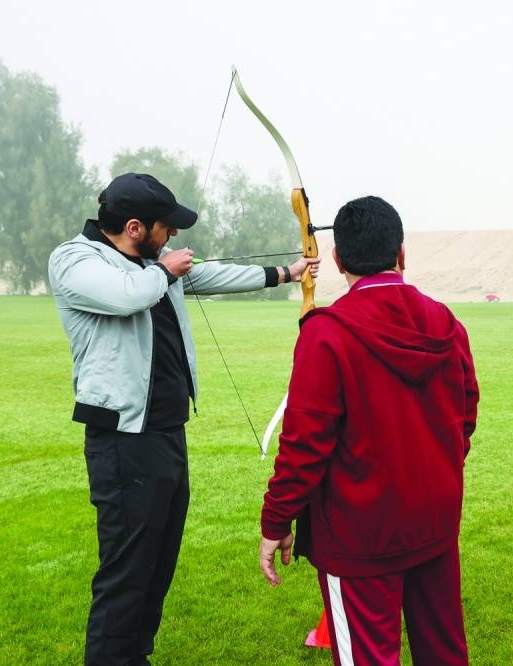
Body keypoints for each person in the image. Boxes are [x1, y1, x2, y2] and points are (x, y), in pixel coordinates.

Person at [48, 172, 320, 666]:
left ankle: (135, 654)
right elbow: (127, 295)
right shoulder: (75, 259)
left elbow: (210, 276)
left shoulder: (154, 264)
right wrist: (168, 271)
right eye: (164, 226)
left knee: (157, 561)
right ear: (134, 227)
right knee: (127, 568)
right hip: (122, 438)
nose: (172, 235)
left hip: (166, 432)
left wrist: (287, 272)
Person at [259, 196, 479, 666]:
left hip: (360, 531)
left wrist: (276, 520)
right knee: (444, 651)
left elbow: (302, 446)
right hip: (431, 515)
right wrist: (434, 472)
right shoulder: (444, 321)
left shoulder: (328, 334)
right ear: (402, 254)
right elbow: (465, 416)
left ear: (338, 261)